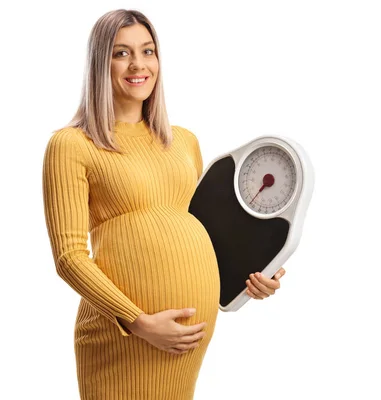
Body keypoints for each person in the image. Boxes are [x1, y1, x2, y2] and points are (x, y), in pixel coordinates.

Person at [42, 9, 286, 399]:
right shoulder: (72, 145)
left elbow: (203, 236)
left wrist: (252, 278)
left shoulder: (183, 141)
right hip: (120, 339)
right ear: (98, 63)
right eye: (121, 53)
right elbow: (69, 257)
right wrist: (139, 322)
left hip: (185, 342)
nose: (138, 65)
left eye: (148, 51)